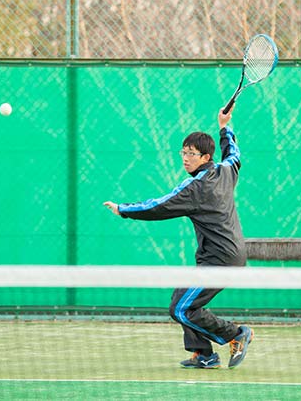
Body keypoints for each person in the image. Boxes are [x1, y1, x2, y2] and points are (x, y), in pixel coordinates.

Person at [103, 106, 253, 369]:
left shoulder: (197, 187)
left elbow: (159, 206)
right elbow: (234, 154)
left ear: (205, 157)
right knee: (180, 299)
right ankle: (203, 354)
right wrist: (224, 126)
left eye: (191, 154)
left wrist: (123, 209)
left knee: (182, 308)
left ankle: (235, 335)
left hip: (220, 259)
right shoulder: (227, 171)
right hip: (226, 255)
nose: (185, 158)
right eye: (183, 152)